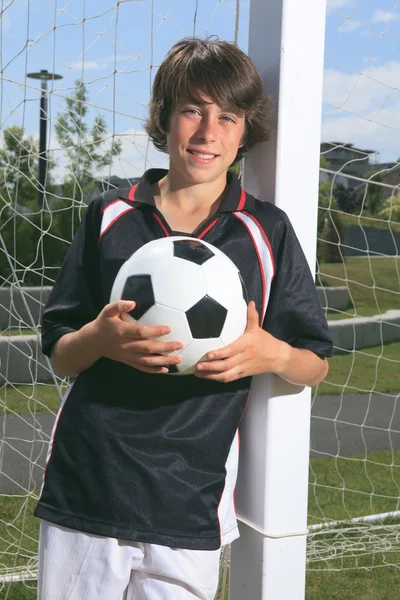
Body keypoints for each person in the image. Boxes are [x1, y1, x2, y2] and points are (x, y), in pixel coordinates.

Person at [35, 37, 333, 600]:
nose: (207, 132)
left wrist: (272, 354)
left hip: (190, 497)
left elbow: (314, 362)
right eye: (192, 110)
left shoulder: (265, 231)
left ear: (246, 130)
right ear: (164, 117)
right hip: (89, 482)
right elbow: (60, 349)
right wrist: (100, 337)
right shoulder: (110, 214)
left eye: (228, 116)